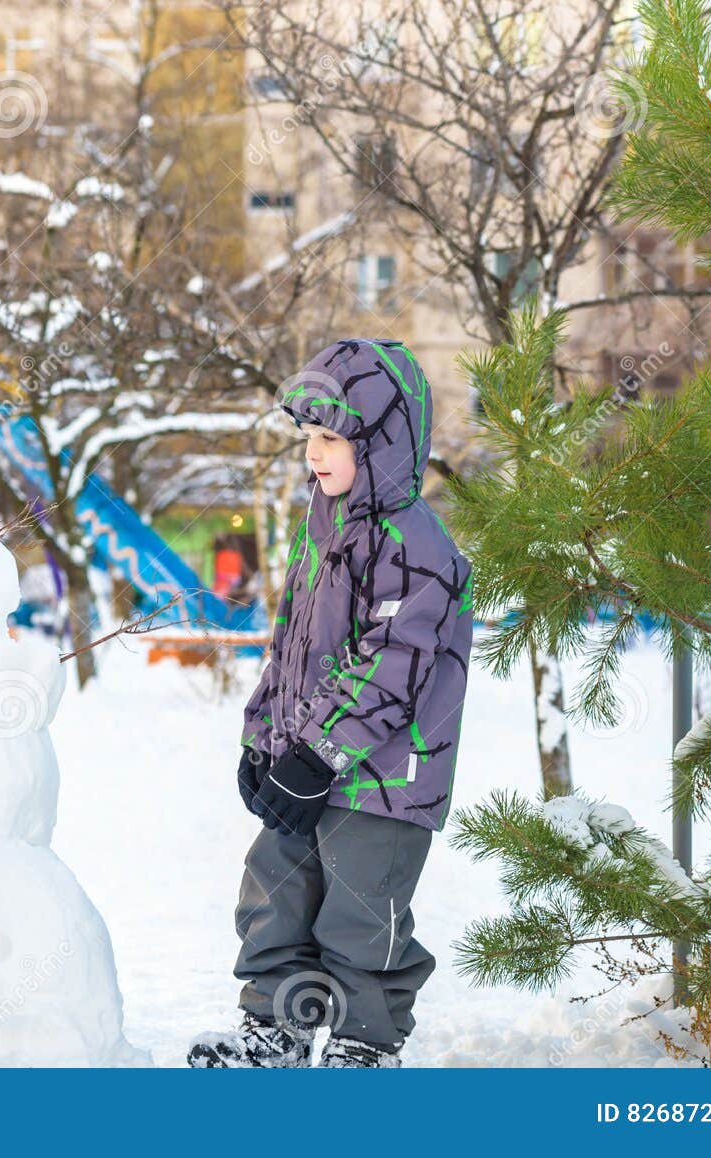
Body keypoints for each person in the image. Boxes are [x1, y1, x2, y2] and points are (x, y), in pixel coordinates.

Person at [188, 339, 474, 1068]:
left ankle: (361, 1047)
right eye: (309, 438)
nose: (315, 454)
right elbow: (290, 643)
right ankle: (273, 1034)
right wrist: (264, 738)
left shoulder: (418, 547)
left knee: (358, 917)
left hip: (382, 781)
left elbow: (392, 667)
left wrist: (316, 753)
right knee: (273, 898)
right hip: (305, 763)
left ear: (382, 440)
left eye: (333, 438)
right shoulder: (326, 527)